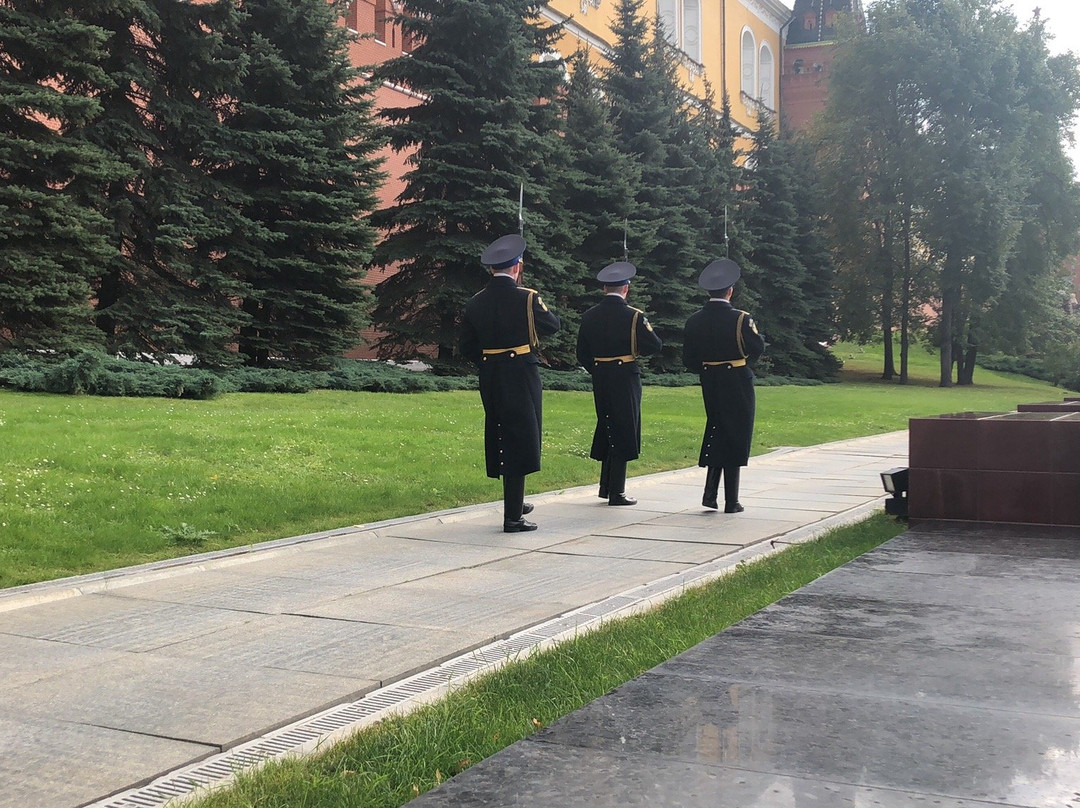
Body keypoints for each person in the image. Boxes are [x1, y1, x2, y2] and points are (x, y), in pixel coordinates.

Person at [460, 234, 561, 532]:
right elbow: (552, 325)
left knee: (503, 433)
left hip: (491, 373)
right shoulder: (527, 297)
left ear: (492, 269)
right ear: (518, 267)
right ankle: (513, 518)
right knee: (522, 435)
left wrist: (490, 361)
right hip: (521, 372)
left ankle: (514, 502)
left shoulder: (475, 302)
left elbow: (466, 346)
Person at [575, 261, 662, 506]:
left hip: (601, 375)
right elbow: (654, 345)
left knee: (607, 424)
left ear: (604, 288)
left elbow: (582, 352)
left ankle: (606, 486)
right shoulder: (634, 316)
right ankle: (617, 491)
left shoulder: (590, 315)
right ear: (626, 288)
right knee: (624, 427)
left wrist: (599, 368)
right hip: (624, 375)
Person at [682, 258, 765, 513]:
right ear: (730, 291)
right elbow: (757, 348)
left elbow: (689, 359)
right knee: (736, 434)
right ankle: (731, 500)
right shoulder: (741, 318)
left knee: (717, 429)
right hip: (736, 379)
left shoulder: (694, 319)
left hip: (709, 378)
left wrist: (710, 368)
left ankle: (710, 494)